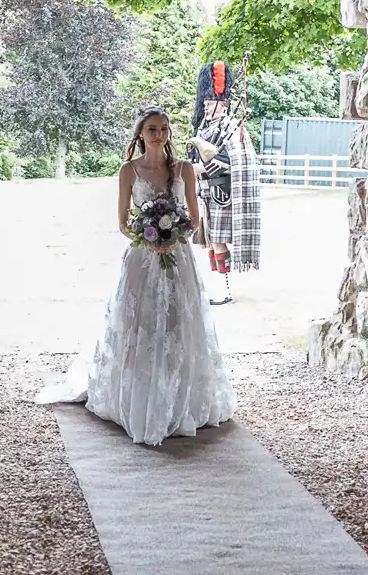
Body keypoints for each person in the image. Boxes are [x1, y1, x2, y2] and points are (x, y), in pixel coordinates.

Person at [36, 107, 236, 446]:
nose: (159, 134)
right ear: (141, 134)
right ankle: (137, 396)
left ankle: (180, 398)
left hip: (178, 256)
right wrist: (150, 239)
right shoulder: (129, 171)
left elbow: (193, 217)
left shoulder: (183, 169)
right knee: (140, 324)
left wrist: (173, 237)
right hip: (142, 259)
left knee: (178, 323)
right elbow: (123, 223)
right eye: (152, 129)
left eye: (163, 129)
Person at [189, 61, 260, 306]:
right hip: (207, 192)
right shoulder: (204, 125)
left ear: (224, 103)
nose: (206, 106)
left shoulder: (231, 126)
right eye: (206, 102)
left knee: (218, 239)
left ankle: (226, 289)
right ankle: (219, 284)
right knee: (211, 239)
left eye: (211, 103)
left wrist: (203, 169)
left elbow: (233, 158)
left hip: (223, 190)